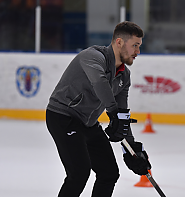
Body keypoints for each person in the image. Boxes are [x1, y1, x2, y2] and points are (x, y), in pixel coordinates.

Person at [46, 21, 152, 197]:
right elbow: (99, 82)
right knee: (79, 174)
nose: (138, 52)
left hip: (88, 123)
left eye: (139, 46)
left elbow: (122, 113)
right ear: (119, 42)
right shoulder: (93, 56)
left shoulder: (124, 76)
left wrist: (132, 149)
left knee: (109, 173)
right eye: (135, 46)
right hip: (63, 117)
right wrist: (112, 112)